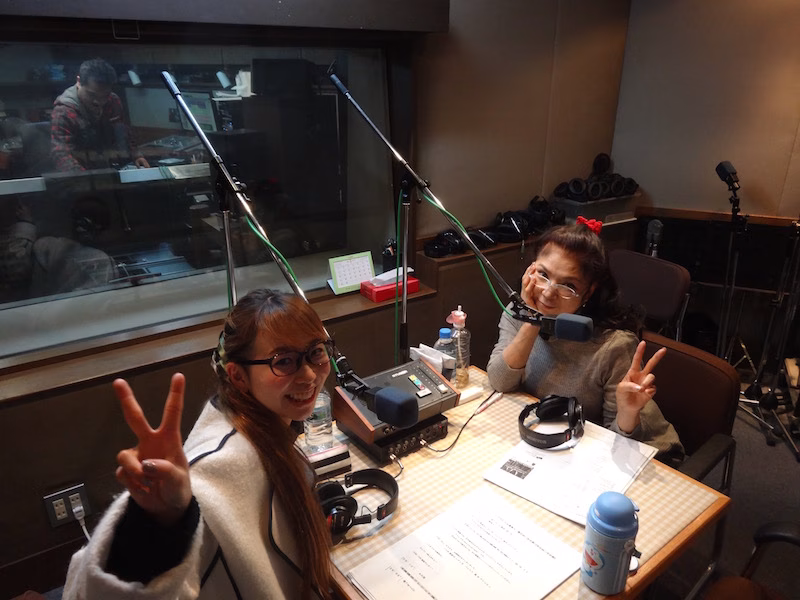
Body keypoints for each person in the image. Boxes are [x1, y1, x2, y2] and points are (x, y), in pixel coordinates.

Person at [63, 289, 334, 599]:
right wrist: (160, 523)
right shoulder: (218, 467)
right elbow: (95, 591)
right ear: (238, 376)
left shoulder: (265, 428)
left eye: (316, 351)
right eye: (283, 361)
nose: (309, 374)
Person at [487, 220, 684, 459]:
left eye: (568, 285)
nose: (548, 292)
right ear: (531, 270)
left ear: (589, 292)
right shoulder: (520, 312)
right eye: (543, 274)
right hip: (559, 437)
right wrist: (532, 320)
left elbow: (623, 443)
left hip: (644, 453)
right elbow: (500, 381)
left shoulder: (613, 345)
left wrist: (628, 413)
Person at [51, 58, 150, 171]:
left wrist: (137, 155)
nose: (99, 102)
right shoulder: (64, 111)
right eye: (91, 95)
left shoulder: (113, 101)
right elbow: (61, 154)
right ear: (79, 82)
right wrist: (84, 178)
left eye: (105, 95)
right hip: (80, 173)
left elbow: (124, 133)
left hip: (109, 168)